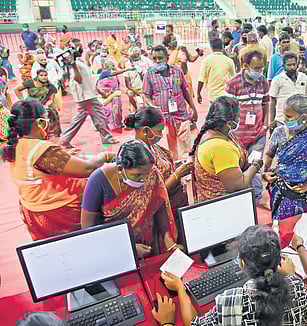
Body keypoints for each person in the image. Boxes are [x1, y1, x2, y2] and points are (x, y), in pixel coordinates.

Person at [154, 225, 307, 326]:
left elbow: (194, 324)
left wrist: (181, 289)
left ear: (243, 263)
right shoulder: (297, 285)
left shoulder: (231, 300)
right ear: (279, 260)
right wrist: (290, 277)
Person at [0, 99, 114, 240]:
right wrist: (106, 155)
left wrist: (64, 156)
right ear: (40, 123)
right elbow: (87, 169)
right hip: (58, 211)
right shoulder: (41, 150)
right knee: (106, 184)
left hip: (33, 209)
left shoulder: (14, 145)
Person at [81, 139, 179, 257]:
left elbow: (160, 205)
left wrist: (167, 237)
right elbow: (88, 228)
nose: (144, 180)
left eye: (146, 175)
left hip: (147, 244)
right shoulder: (98, 180)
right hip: (112, 248)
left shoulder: (151, 172)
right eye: (137, 175)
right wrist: (128, 247)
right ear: (120, 169)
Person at [264, 94, 307, 222]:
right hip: (282, 191)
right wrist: (265, 173)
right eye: (284, 115)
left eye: (289, 116)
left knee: (304, 226)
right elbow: (269, 154)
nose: (284, 119)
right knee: (282, 228)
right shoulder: (279, 132)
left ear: (303, 118)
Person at [189, 96, 263, 203]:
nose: (239, 120)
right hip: (223, 206)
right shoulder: (220, 147)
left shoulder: (214, 132)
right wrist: (256, 166)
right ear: (229, 123)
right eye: (238, 116)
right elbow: (238, 185)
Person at [125, 108, 190, 221]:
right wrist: (177, 175)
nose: (161, 135)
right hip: (161, 214)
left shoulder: (150, 145)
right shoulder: (139, 156)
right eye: (159, 131)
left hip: (174, 202)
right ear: (146, 131)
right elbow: (151, 193)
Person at [224, 50, 269, 205]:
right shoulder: (233, 83)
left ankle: (258, 197)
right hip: (237, 137)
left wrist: (265, 124)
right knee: (236, 168)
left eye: (262, 68)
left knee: (255, 163)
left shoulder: (263, 82)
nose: (259, 72)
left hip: (257, 135)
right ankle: (238, 197)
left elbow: (266, 103)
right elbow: (227, 109)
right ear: (245, 66)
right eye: (256, 68)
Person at [143, 45, 198, 160]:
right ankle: (176, 169)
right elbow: (147, 95)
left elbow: (185, 90)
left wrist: (193, 108)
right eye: (155, 59)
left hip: (181, 114)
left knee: (186, 145)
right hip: (164, 116)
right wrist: (153, 107)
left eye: (160, 58)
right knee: (171, 146)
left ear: (167, 58)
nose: (157, 61)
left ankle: (188, 170)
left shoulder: (176, 71)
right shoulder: (149, 74)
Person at [269, 52, 307, 126]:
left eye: (294, 64)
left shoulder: (303, 77)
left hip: (301, 120)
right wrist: (271, 121)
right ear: (283, 66)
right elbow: (272, 101)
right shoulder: (277, 80)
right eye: (289, 65)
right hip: (282, 120)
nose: (292, 67)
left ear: (297, 64)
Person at [14, 69, 62, 138]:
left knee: (52, 112)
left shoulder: (50, 87)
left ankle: (51, 134)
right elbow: (16, 89)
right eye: (41, 75)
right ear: (37, 76)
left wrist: (44, 106)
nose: (43, 77)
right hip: (31, 105)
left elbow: (51, 100)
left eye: (45, 75)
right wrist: (23, 100)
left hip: (44, 106)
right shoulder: (30, 83)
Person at [165, 33, 202, 106]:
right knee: (177, 95)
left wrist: (198, 54)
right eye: (173, 40)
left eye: (175, 39)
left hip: (186, 76)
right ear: (168, 43)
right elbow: (170, 63)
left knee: (188, 95)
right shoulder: (167, 52)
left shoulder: (183, 49)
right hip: (175, 79)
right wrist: (176, 50)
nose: (175, 41)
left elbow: (191, 59)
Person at [96, 61, 134, 133]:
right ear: (107, 66)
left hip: (115, 94)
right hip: (105, 95)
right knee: (109, 111)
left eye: (114, 65)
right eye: (112, 65)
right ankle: (110, 125)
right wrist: (127, 69)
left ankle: (118, 124)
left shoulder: (114, 76)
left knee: (118, 110)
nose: (113, 66)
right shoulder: (105, 73)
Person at [197, 38, 235, 104]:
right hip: (226, 95)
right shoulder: (229, 61)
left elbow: (201, 79)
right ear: (222, 47)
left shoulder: (206, 61)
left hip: (213, 96)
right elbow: (234, 79)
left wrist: (198, 94)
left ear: (211, 47)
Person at [124, 46, 153, 111]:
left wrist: (141, 72)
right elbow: (127, 83)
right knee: (130, 94)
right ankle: (136, 108)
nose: (135, 58)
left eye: (136, 56)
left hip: (145, 87)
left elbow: (148, 76)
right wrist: (135, 91)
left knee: (146, 98)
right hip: (133, 88)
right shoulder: (127, 64)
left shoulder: (145, 61)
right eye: (133, 56)